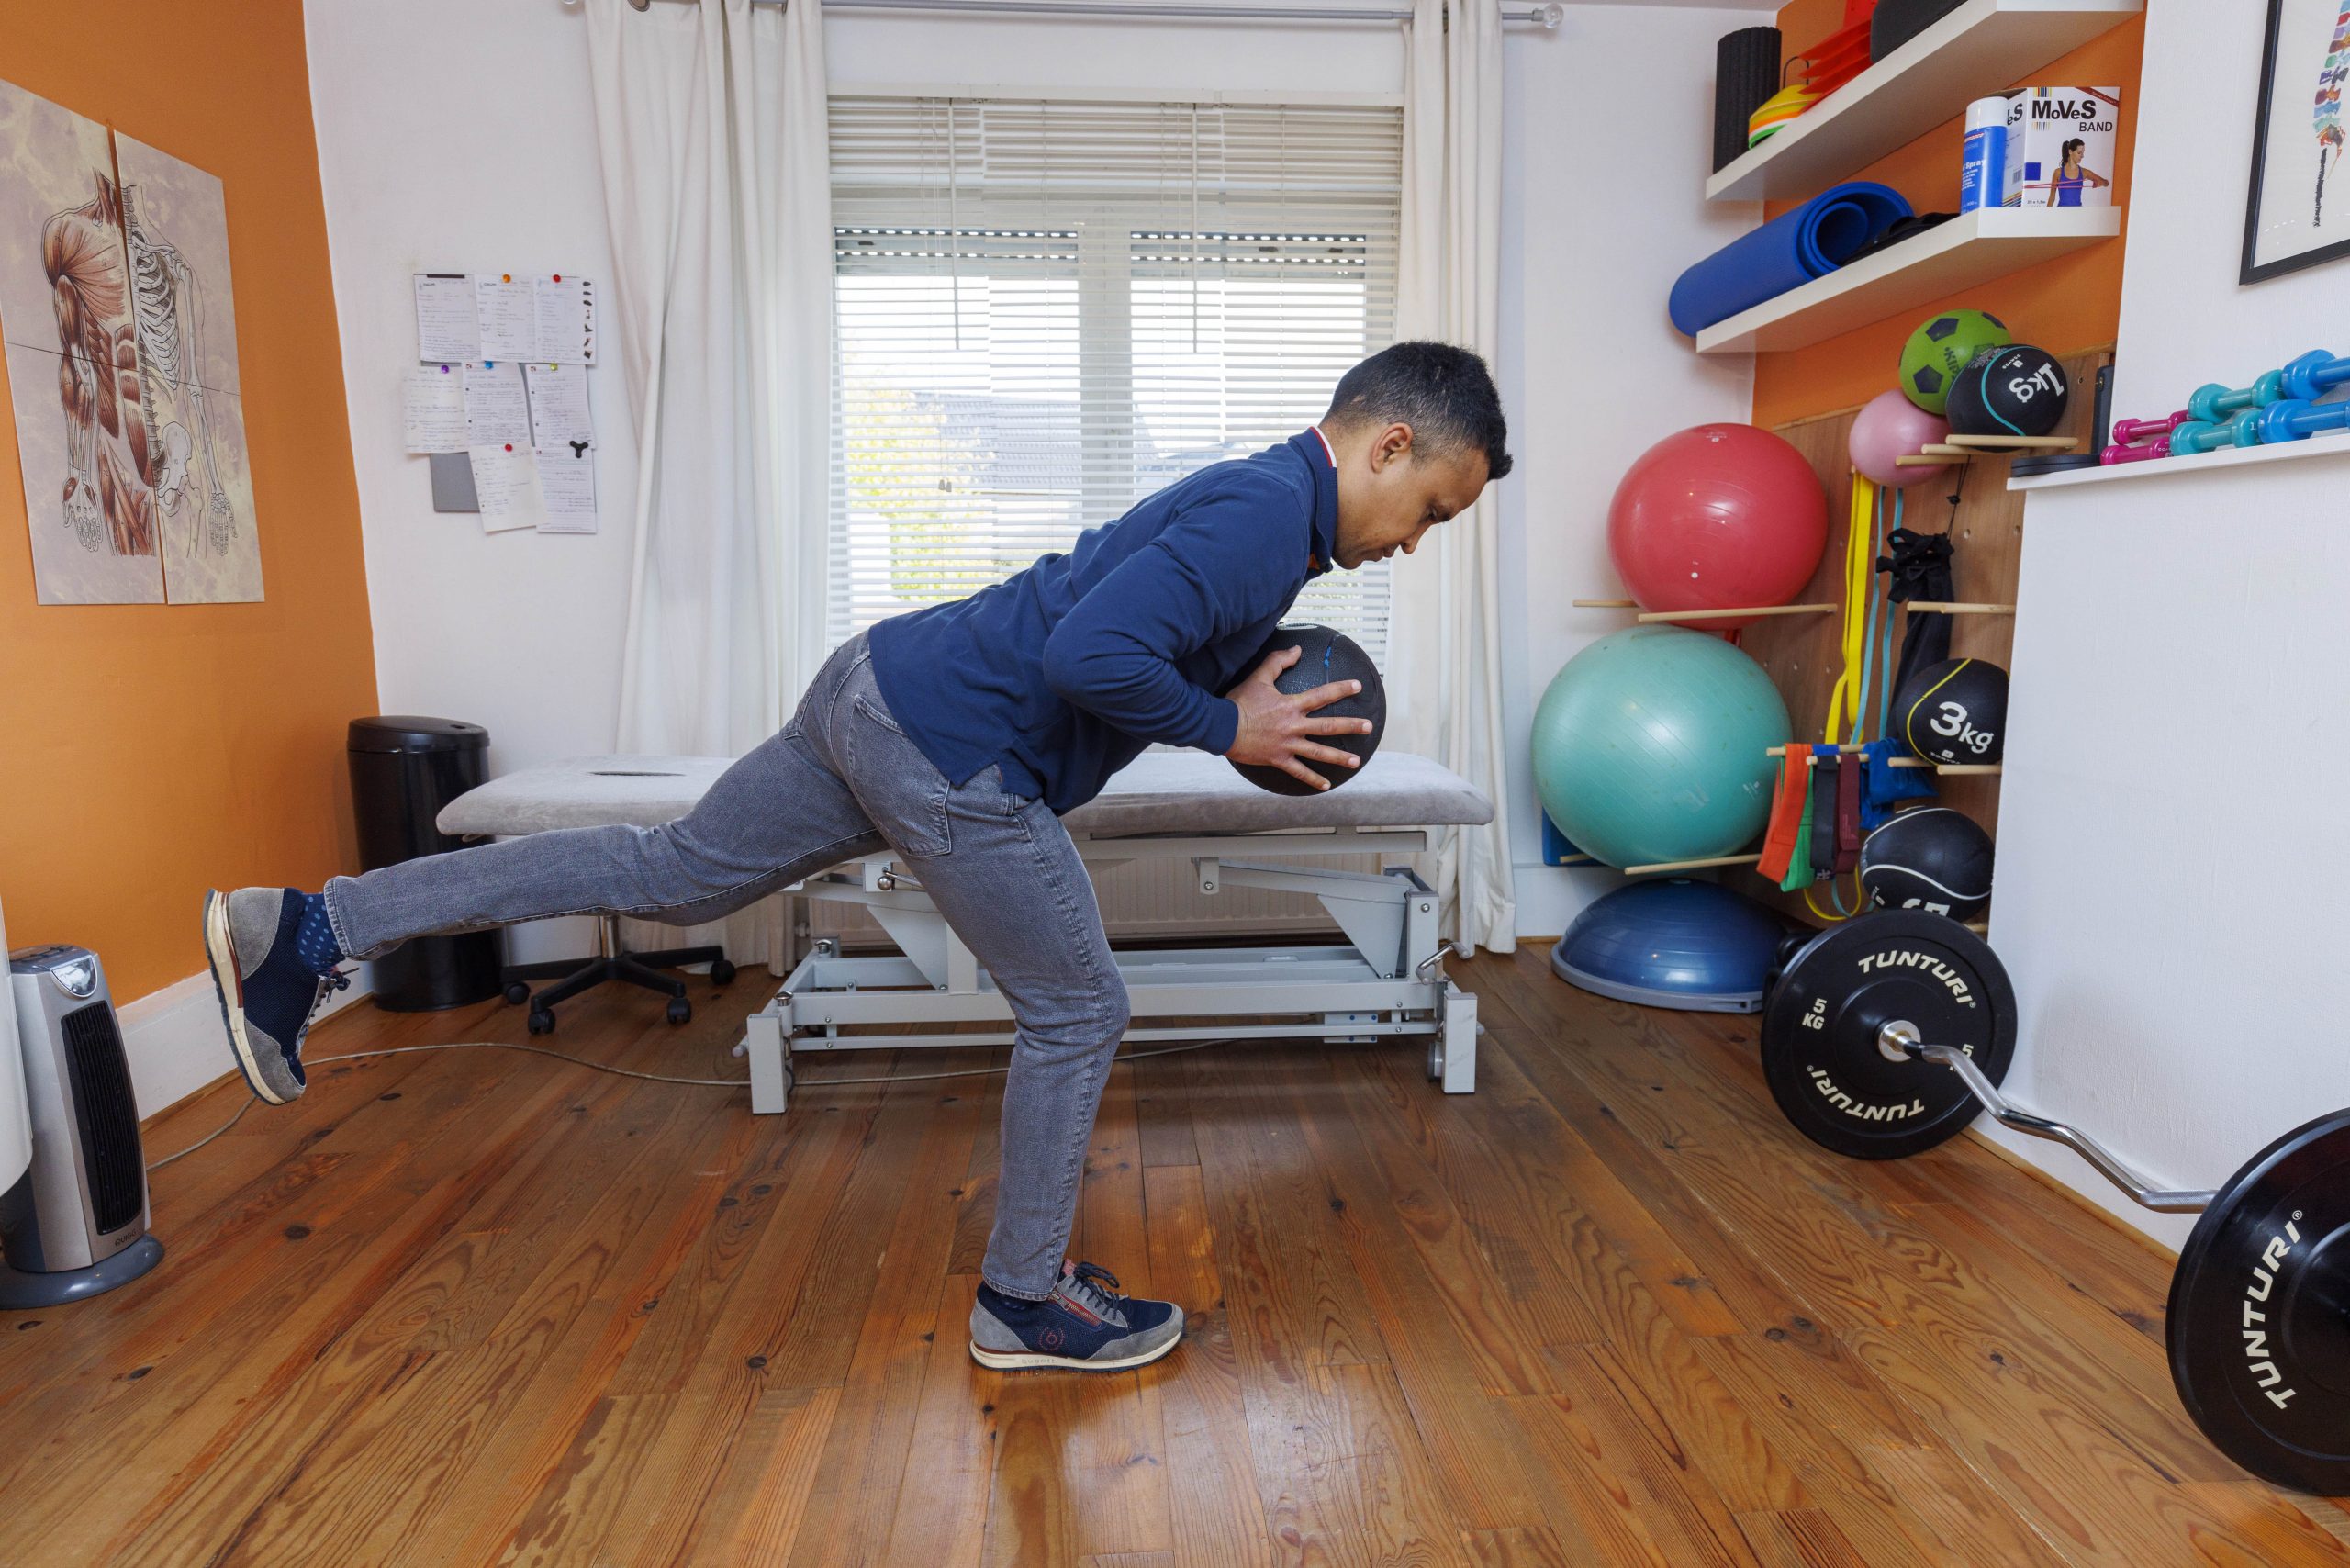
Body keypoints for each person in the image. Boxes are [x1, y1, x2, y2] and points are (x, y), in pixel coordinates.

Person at [203, 339, 1511, 1373]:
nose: (1413, 540)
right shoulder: (1261, 521)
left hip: (878, 687)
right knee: (1079, 1007)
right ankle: (1026, 1300)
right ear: (1390, 444)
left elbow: (1121, 628)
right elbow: (1085, 659)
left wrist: (1237, 678)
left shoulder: (1265, 510)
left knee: (672, 874)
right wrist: (1230, 724)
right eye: (1432, 509)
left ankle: (315, 929)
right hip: (953, 744)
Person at [2042, 137, 2109, 207]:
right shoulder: (2058, 173)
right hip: (2061, 214)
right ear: (2070, 152)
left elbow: (2106, 183)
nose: (2082, 156)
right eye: (2079, 153)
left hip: (2078, 214)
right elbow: (2052, 197)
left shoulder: (2084, 172)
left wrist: (2102, 182)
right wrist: (2047, 216)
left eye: (2083, 153)